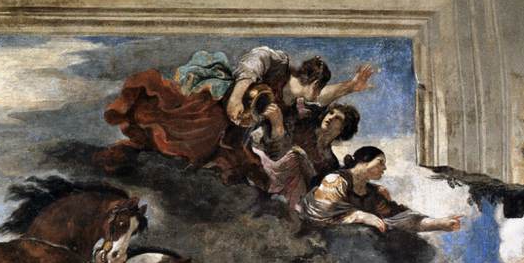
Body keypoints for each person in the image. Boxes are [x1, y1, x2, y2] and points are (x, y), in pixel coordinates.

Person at [97, 45, 375, 177]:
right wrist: (237, 97)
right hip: (215, 106)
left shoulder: (290, 110)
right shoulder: (279, 65)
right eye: (318, 88)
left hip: (235, 133)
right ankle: (134, 150)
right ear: (312, 83)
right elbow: (257, 57)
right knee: (183, 129)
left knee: (234, 163)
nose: (318, 97)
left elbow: (279, 148)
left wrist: (278, 124)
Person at [299, 146, 462, 233]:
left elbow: (398, 218)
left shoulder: (374, 194)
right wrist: (360, 216)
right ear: (363, 161)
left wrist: (438, 223)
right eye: (380, 162)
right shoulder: (335, 180)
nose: (384, 168)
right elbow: (319, 212)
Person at [249, 102, 359, 210]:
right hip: (272, 167)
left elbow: (315, 187)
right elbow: (276, 149)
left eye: (338, 118)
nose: (330, 117)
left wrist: (305, 164)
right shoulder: (303, 127)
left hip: (294, 190)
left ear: (343, 128)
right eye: (330, 113)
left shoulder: (331, 162)